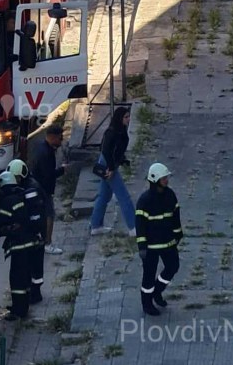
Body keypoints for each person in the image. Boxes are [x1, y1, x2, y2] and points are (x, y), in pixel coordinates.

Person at [136, 163, 182, 316]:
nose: (166, 180)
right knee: (148, 275)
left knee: (173, 267)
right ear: (154, 179)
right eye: (163, 178)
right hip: (151, 246)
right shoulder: (145, 201)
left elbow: (175, 216)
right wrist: (141, 245)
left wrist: (178, 234)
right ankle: (147, 304)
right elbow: (140, 225)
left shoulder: (170, 195)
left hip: (168, 242)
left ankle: (157, 291)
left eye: (166, 177)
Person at [0, 171, 35, 321]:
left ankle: (19, 311)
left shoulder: (8, 200)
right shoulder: (21, 195)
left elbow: (1, 221)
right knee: (25, 277)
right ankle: (23, 306)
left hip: (20, 245)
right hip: (30, 243)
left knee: (17, 279)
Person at [89, 106, 136, 236]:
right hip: (108, 164)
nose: (128, 119)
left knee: (104, 196)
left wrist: (122, 160)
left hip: (111, 164)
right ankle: (133, 226)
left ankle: (96, 225)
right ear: (119, 118)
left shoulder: (121, 131)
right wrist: (111, 168)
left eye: (128, 116)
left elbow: (118, 150)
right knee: (123, 196)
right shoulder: (112, 132)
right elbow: (106, 150)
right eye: (126, 117)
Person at [6, 159, 45, 304]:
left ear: (22, 175)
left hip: (35, 233)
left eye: (15, 178)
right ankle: (32, 292)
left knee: (35, 266)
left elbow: (34, 216)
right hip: (34, 233)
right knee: (30, 266)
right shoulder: (25, 186)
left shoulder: (31, 191)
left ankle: (35, 294)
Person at [29, 124, 68, 254]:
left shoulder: (40, 147)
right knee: (49, 215)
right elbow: (49, 175)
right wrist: (62, 170)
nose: (61, 141)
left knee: (40, 215)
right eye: (59, 138)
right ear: (53, 138)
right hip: (43, 189)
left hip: (36, 187)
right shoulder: (46, 153)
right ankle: (48, 243)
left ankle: (39, 239)